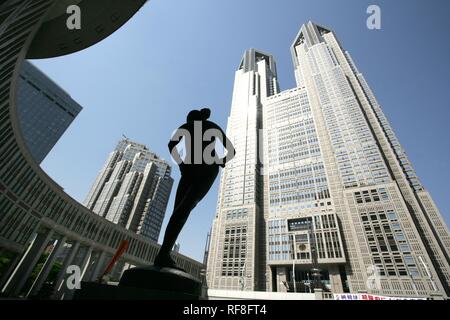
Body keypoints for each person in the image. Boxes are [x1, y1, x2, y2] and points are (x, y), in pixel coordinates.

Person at [153, 108, 235, 269]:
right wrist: (220, 160)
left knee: (179, 211)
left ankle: (163, 254)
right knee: (182, 210)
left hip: (190, 169)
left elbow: (171, 145)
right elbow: (231, 151)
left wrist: (182, 164)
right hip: (205, 170)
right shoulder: (212, 126)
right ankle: (163, 255)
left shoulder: (188, 126)